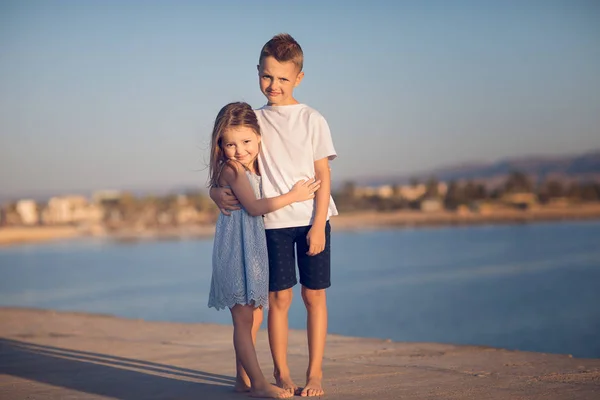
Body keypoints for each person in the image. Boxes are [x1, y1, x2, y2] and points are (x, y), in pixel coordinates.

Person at [212, 34, 338, 397]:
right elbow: (227, 165)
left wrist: (318, 225)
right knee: (279, 300)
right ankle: (282, 374)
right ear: (258, 73)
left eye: (283, 78)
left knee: (314, 297)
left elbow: (323, 176)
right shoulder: (255, 120)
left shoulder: (312, 119)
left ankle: (314, 374)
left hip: (313, 219)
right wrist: (213, 192)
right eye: (267, 77)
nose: (274, 85)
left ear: (298, 77)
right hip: (272, 224)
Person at [207, 101, 321, 399]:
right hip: (236, 250)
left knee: (252, 316)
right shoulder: (232, 169)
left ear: (258, 136)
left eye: (245, 141)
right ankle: (258, 383)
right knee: (244, 319)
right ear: (220, 144)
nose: (239, 149)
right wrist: (294, 196)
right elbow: (256, 207)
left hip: (250, 249)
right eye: (230, 144)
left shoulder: (251, 165)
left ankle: (242, 380)